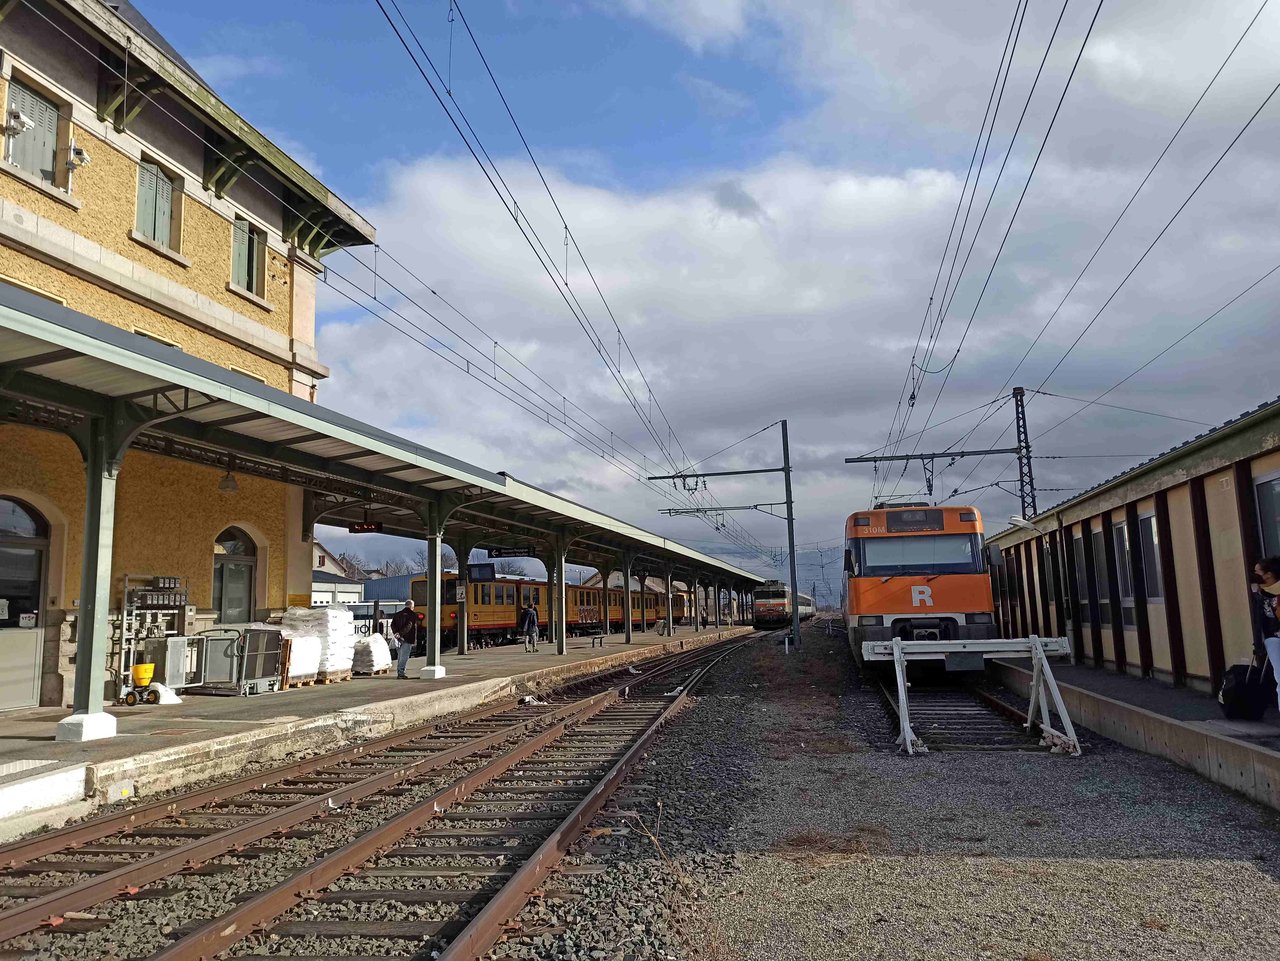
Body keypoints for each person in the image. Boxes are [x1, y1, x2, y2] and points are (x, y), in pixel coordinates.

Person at [1252, 557, 1280, 706]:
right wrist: (1258, 643)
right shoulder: (1260, 593)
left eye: (1257, 572)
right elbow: (1258, 620)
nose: (1254, 575)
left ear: (1268, 574)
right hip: (1272, 637)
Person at [390, 600, 418, 679]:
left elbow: (392, 624)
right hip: (408, 638)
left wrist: (396, 633)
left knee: (400, 656)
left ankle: (400, 672)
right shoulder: (412, 615)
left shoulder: (397, 614)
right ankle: (401, 673)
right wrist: (400, 633)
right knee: (404, 657)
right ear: (412, 606)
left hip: (398, 638)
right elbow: (409, 626)